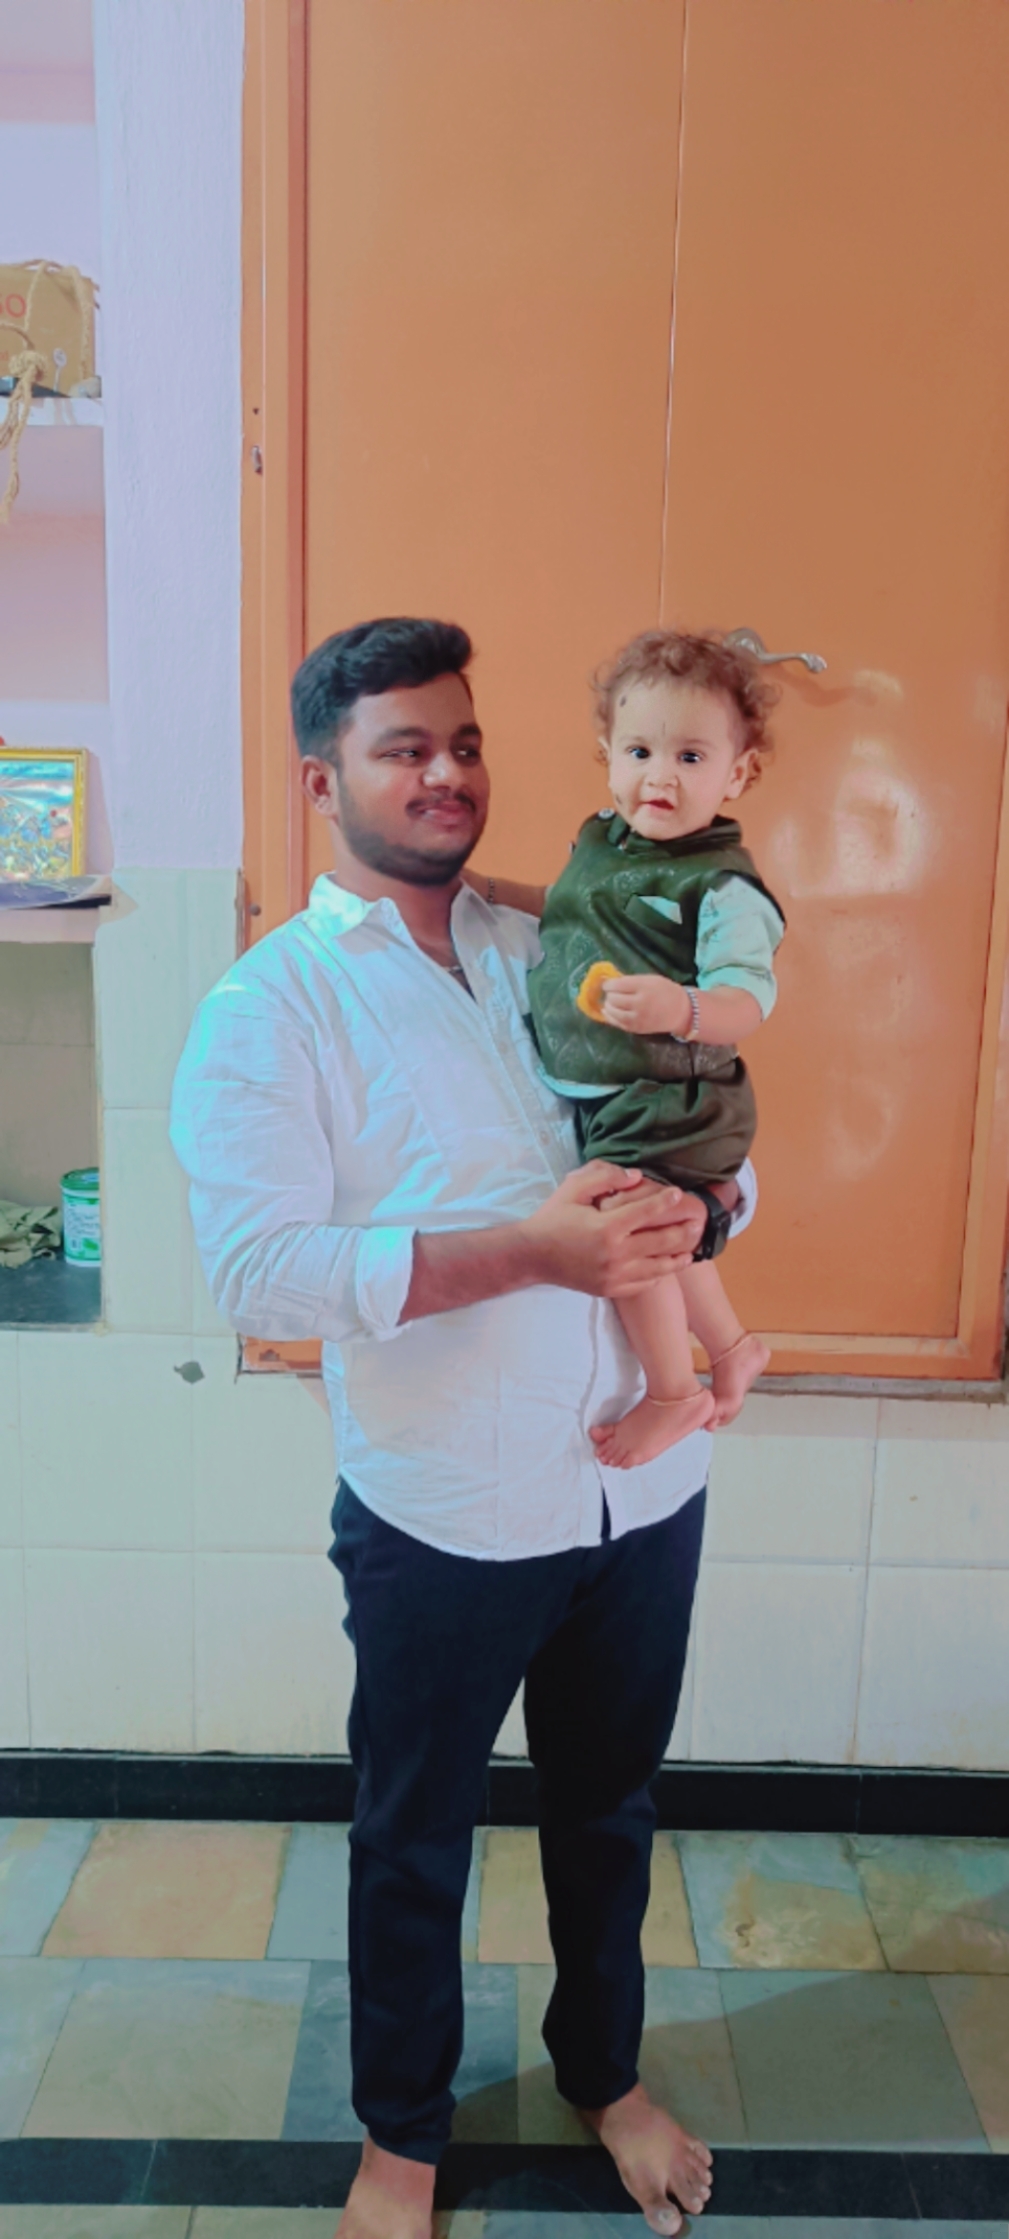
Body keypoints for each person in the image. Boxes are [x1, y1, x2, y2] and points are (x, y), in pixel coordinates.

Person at [170, 616, 758, 2239]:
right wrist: (530, 1251)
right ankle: (401, 2144)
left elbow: (709, 1132)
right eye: (402, 746)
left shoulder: (564, 930)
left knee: (608, 1813)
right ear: (323, 780)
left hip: (644, 1492)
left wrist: (708, 1205)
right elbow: (262, 1266)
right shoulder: (271, 1004)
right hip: (444, 1512)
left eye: (465, 739)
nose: (445, 772)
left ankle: (604, 2074)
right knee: (413, 1836)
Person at [490, 630, 785, 1468]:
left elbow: (748, 1001)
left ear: (738, 774)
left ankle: (673, 1391)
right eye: (640, 751)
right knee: (665, 1227)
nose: (660, 776)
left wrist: (680, 1007)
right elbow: (571, 907)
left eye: (690, 756)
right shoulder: (602, 838)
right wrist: (486, 891)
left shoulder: (722, 885)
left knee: (632, 1237)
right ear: (607, 754)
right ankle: (731, 1349)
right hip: (618, 1090)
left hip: (673, 1093)